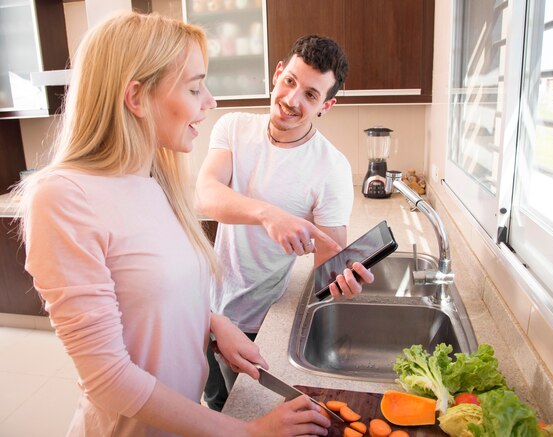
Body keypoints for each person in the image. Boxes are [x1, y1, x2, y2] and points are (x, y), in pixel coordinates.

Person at [13, 13, 331, 437]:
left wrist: (215, 325)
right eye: (195, 86)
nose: (210, 101)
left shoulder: (155, 180)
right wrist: (250, 432)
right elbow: (107, 377)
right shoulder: (63, 198)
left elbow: (159, 296)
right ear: (137, 98)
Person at [196, 34, 375, 411]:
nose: (292, 100)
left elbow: (330, 265)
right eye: (290, 81)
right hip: (203, 308)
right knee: (214, 404)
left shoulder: (331, 168)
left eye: (311, 95)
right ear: (278, 73)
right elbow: (206, 194)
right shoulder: (233, 127)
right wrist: (269, 214)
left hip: (261, 321)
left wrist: (343, 284)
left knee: (243, 413)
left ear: (327, 105)